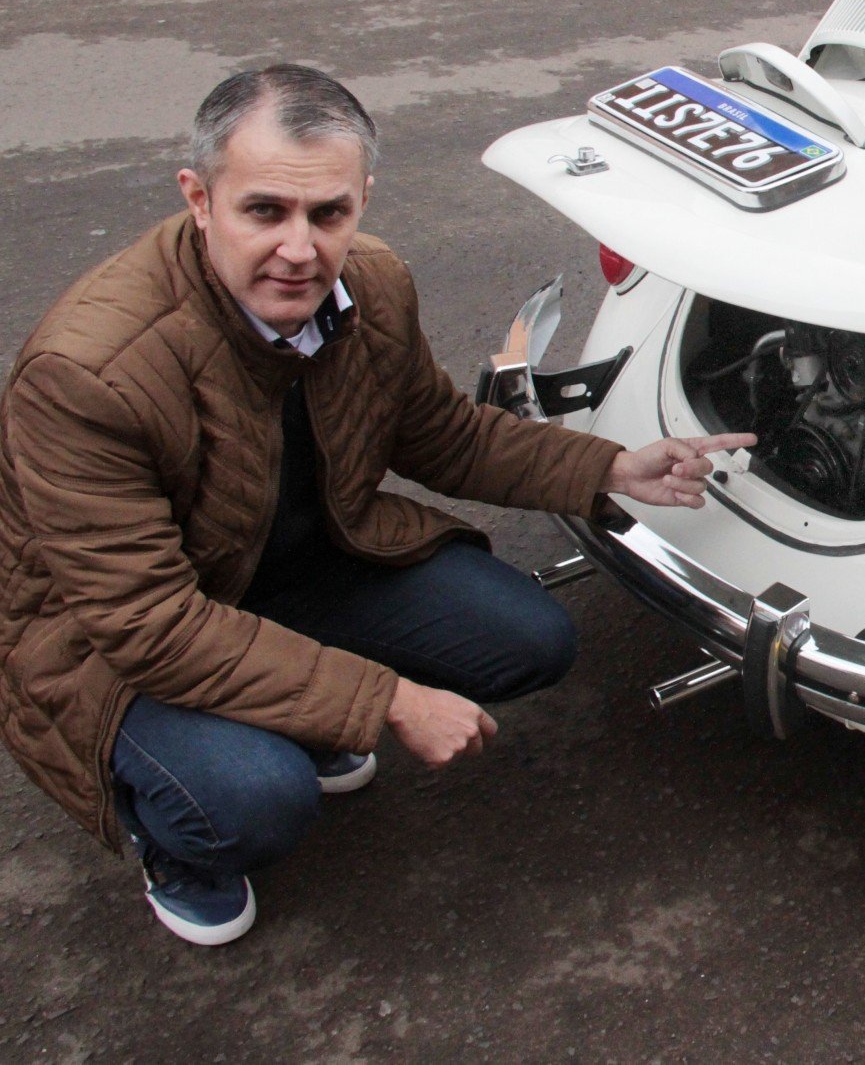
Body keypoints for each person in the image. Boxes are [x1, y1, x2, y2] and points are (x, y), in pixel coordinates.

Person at [0, 64, 750, 946]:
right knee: (253, 801)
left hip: (293, 564)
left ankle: (292, 707)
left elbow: (442, 436)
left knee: (530, 639)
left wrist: (613, 467)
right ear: (199, 199)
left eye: (329, 214)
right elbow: (146, 622)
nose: (300, 250)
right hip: (114, 638)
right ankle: (181, 846)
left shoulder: (373, 285)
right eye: (264, 210)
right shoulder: (90, 373)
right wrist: (386, 700)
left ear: (362, 198)